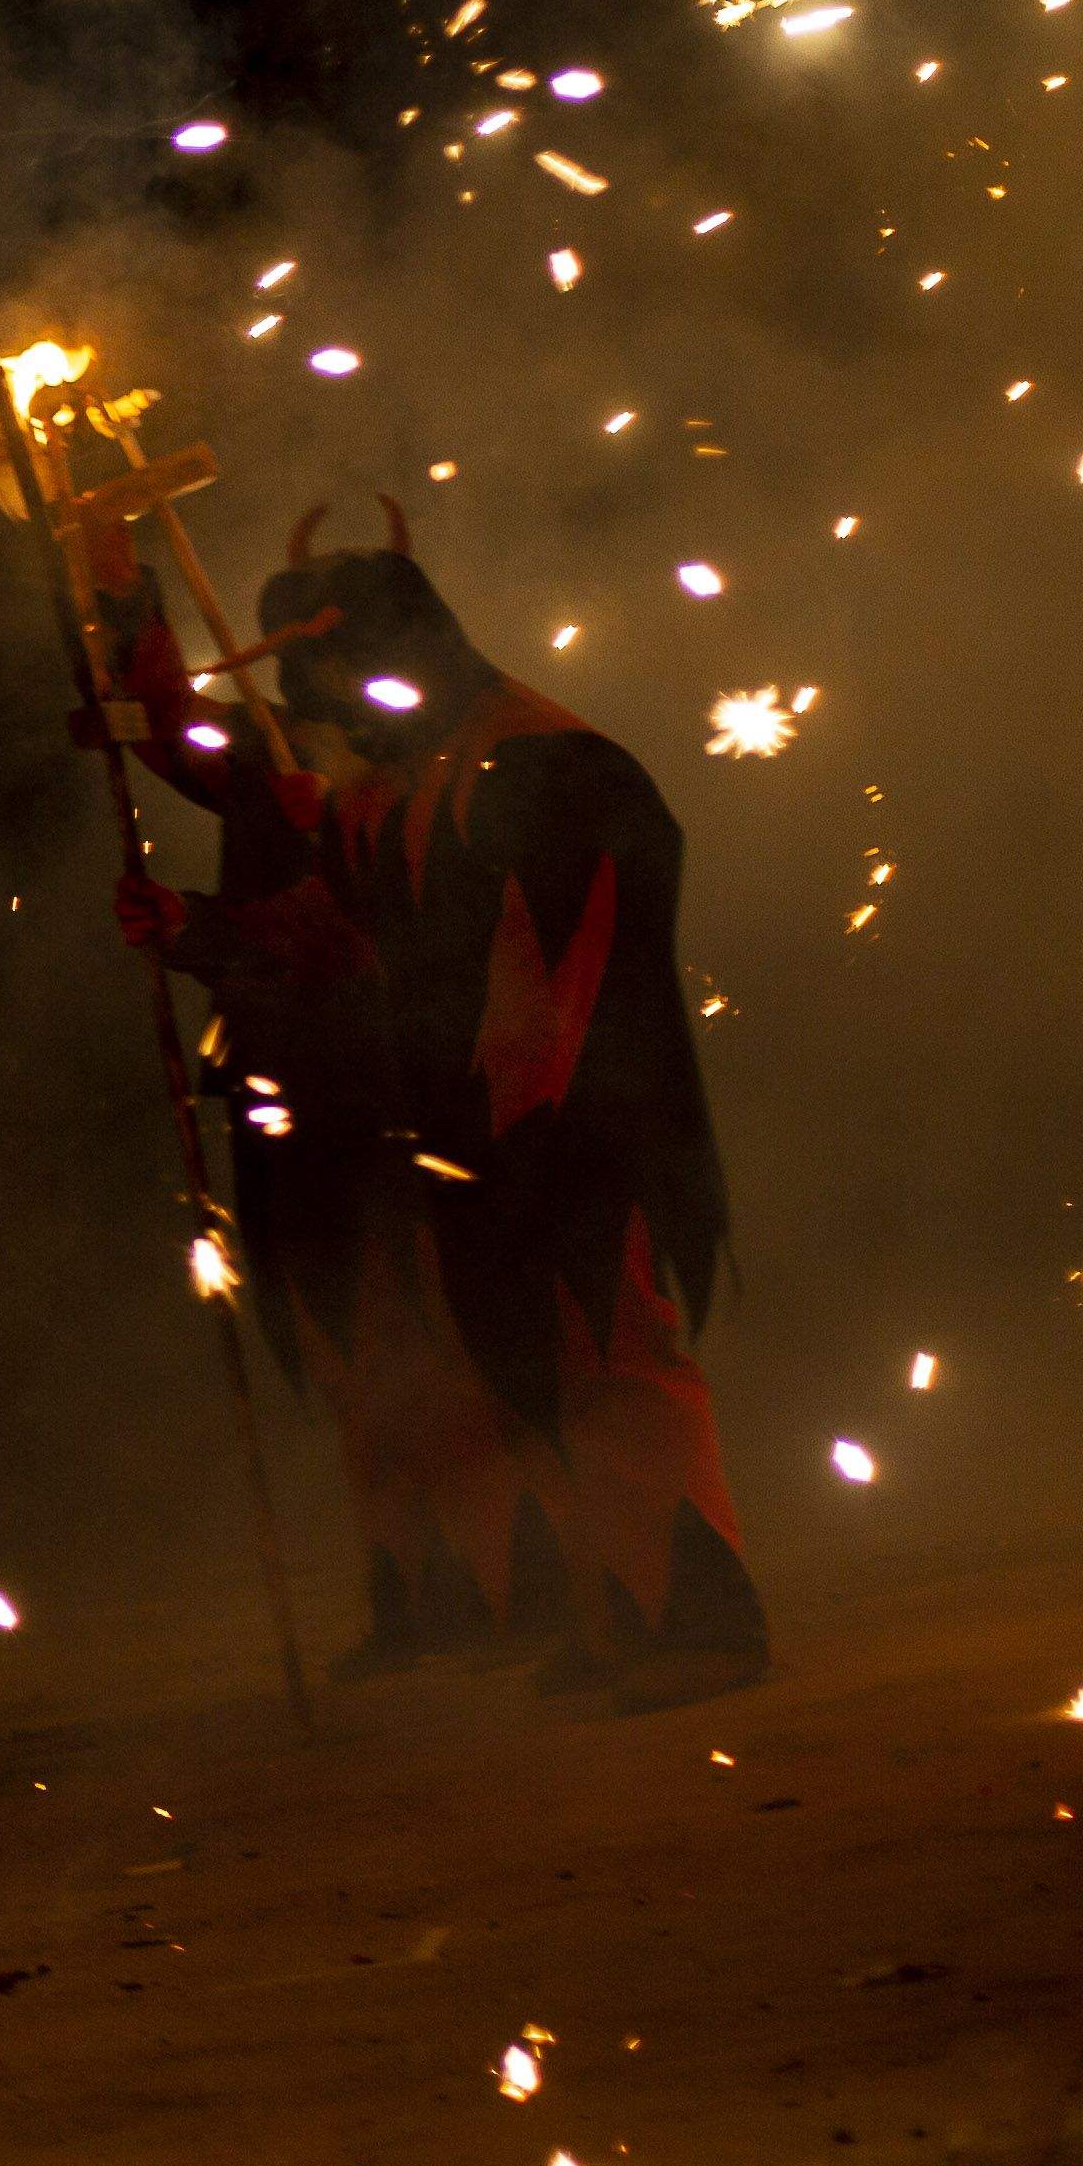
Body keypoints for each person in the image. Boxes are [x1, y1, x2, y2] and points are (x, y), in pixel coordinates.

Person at [117, 511, 762, 1707]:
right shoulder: (392, 790)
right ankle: (619, 1617)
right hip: (468, 1135)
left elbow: (580, 970)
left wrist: (532, 1124)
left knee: (612, 1361)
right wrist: (197, 929)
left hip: (572, 1128)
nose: (327, 720)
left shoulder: (555, 765)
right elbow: (343, 944)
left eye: (332, 686)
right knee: (527, 1374)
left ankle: (703, 1624)